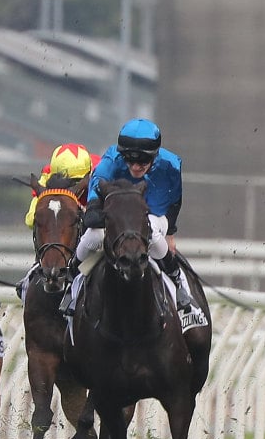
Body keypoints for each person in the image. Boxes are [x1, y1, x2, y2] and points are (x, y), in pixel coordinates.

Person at [73, 118, 203, 324]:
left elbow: (175, 201)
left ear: (155, 155)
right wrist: (96, 212)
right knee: (94, 234)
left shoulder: (171, 165)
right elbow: (94, 199)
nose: (135, 166)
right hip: (119, 218)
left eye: (142, 161)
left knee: (151, 230)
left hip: (153, 214)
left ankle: (178, 281)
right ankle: (71, 275)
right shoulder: (111, 160)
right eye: (129, 160)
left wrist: (171, 234)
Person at [22, 142, 99, 225]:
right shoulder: (47, 175)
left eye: (74, 181)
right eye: (61, 179)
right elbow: (30, 221)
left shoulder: (101, 172)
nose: (67, 186)